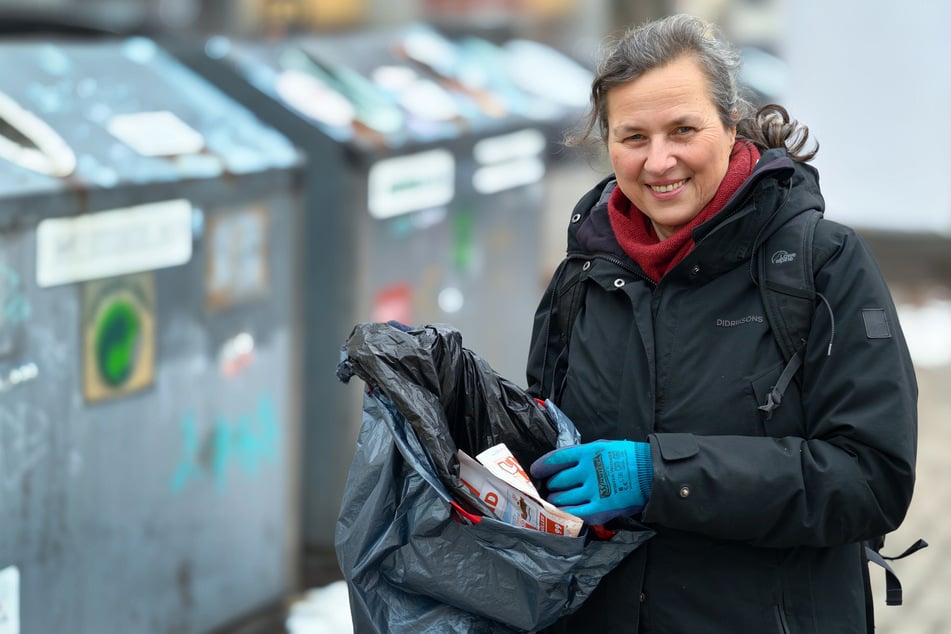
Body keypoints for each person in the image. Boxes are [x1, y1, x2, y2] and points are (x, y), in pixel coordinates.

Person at [525, 13, 918, 633]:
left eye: (683, 130)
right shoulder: (584, 274)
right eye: (633, 137)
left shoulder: (821, 264)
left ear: (731, 125)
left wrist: (660, 476)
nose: (659, 161)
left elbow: (870, 481)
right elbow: (547, 439)